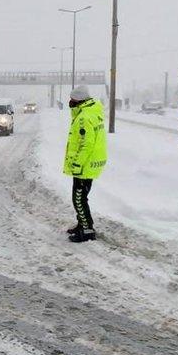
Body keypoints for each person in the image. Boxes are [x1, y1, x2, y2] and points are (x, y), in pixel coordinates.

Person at [63, 86, 107, 242]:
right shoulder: (92, 112)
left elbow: (86, 144)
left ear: (78, 100)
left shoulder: (84, 117)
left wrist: (77, 164)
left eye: (72, 100)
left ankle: (87, 230)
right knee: (81, 197)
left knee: (79, 198)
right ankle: (83, 224)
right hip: (90, 163)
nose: (70, 102)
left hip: (84, 165)